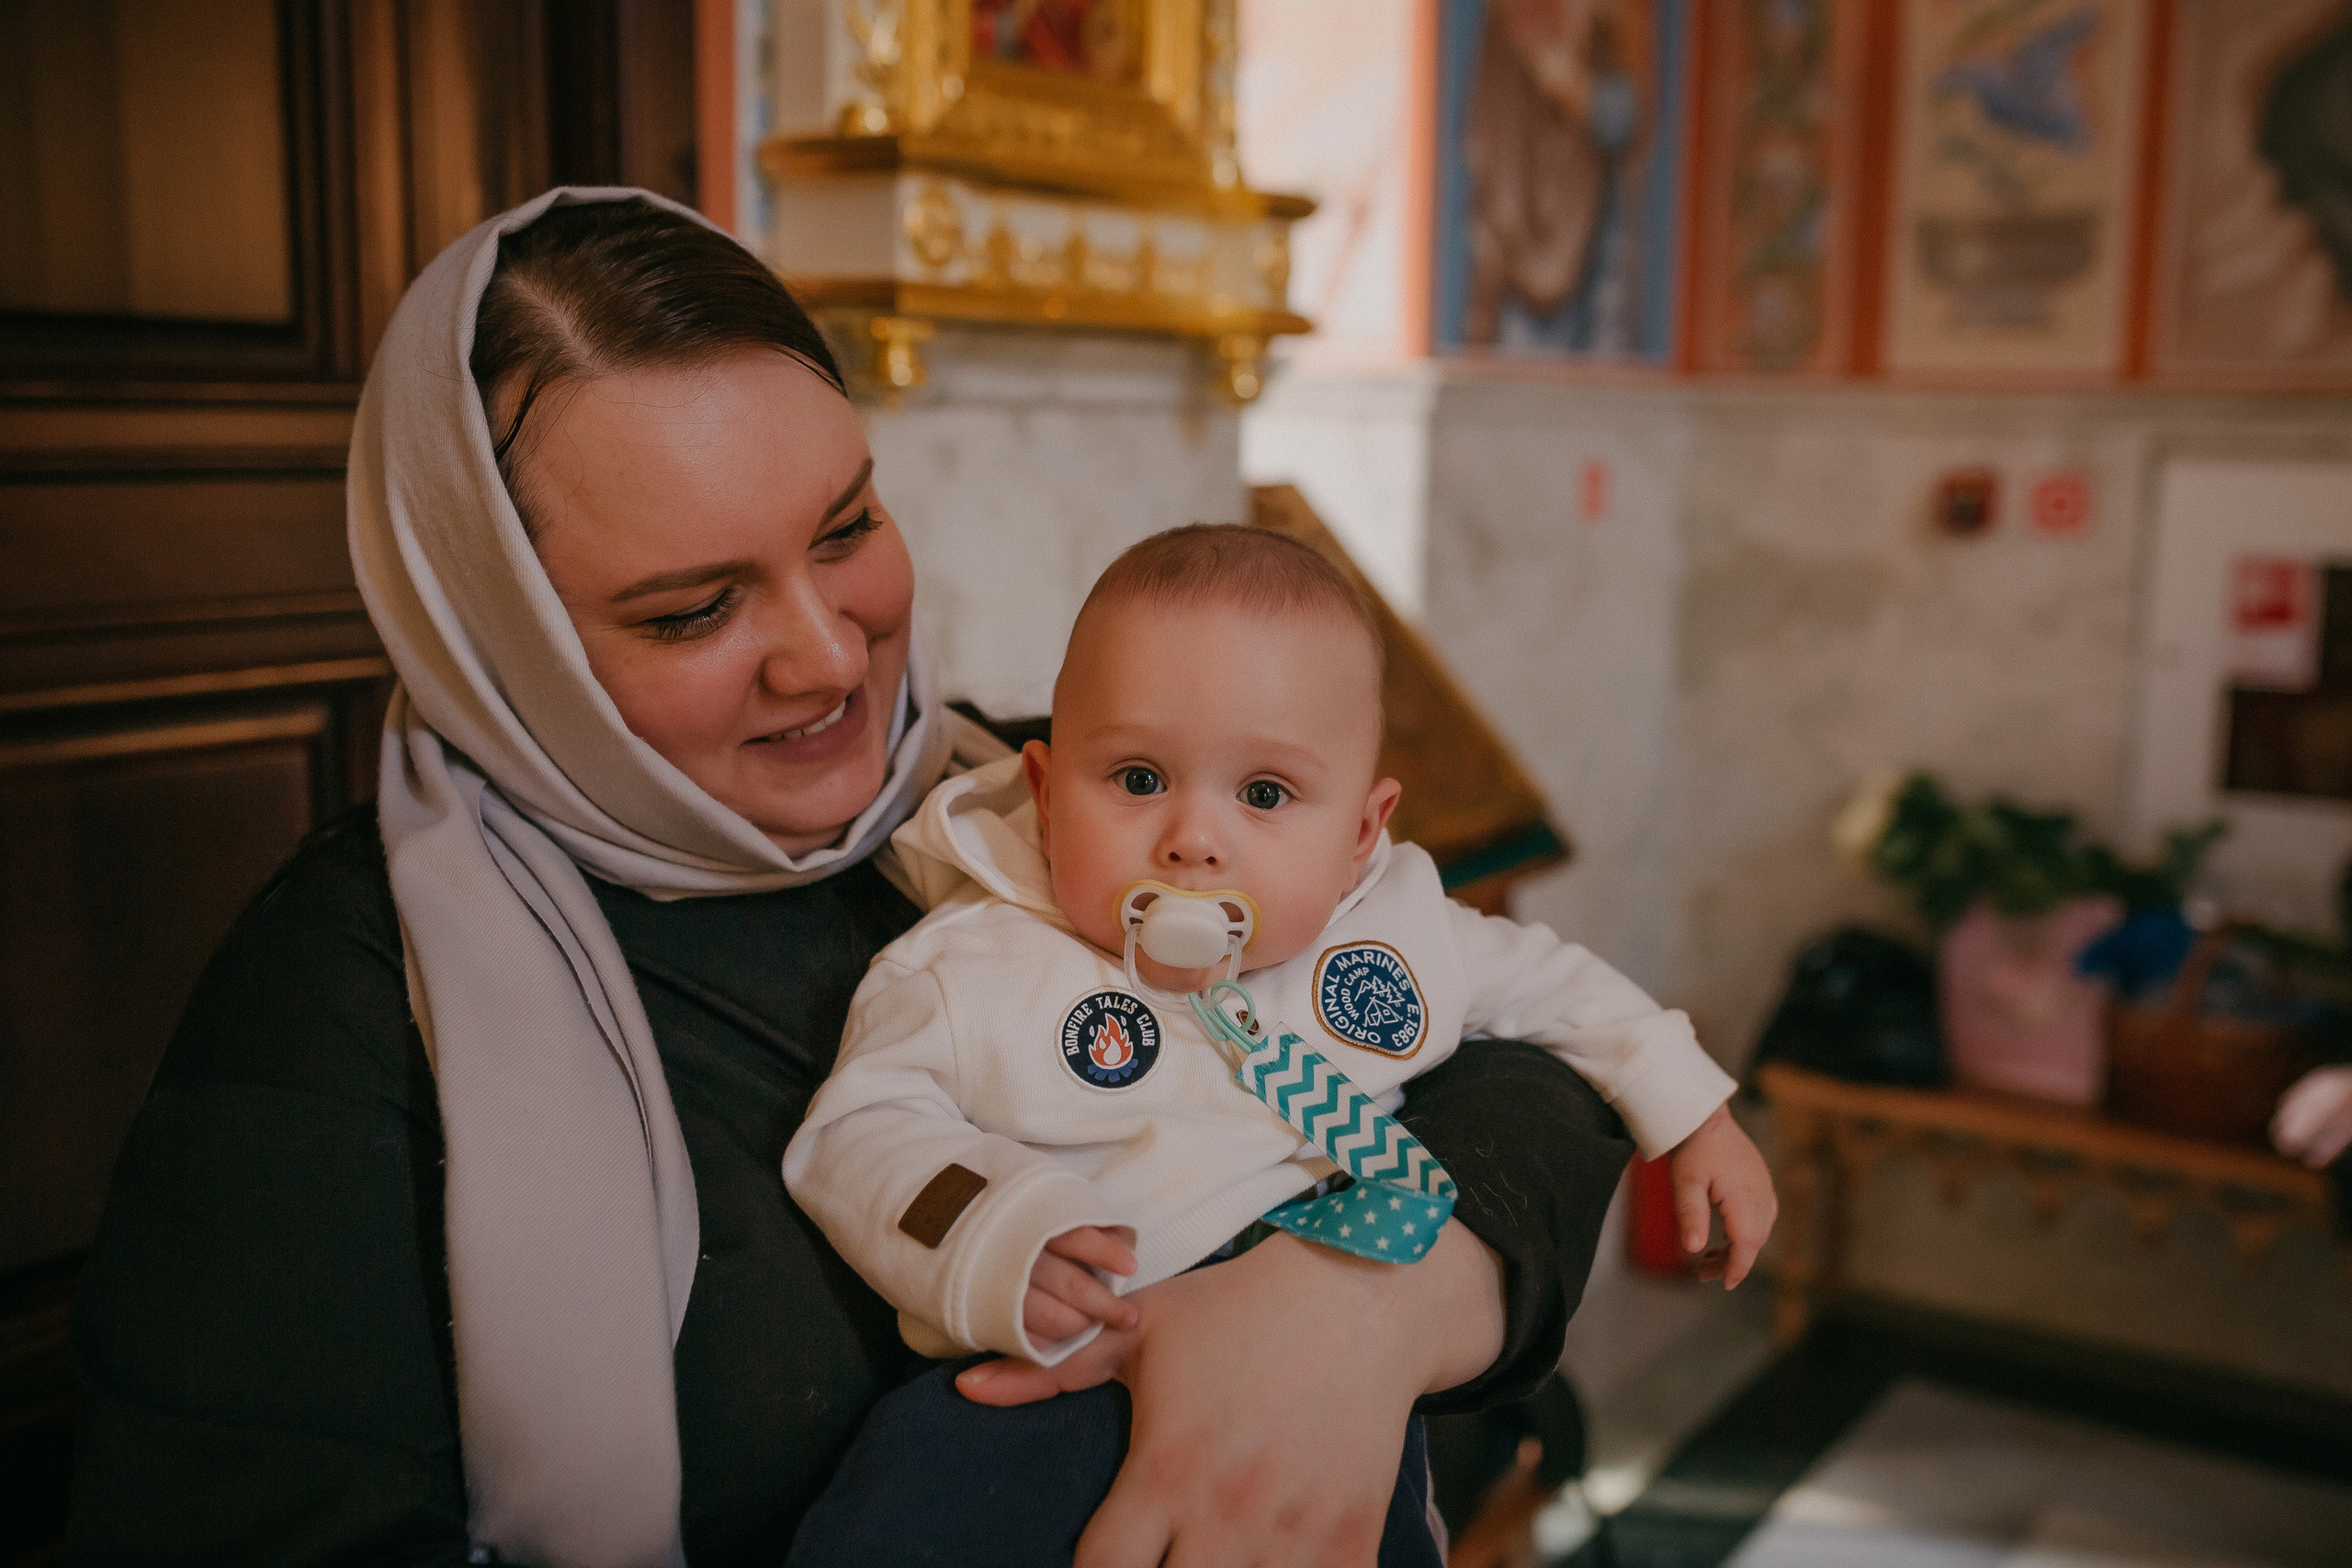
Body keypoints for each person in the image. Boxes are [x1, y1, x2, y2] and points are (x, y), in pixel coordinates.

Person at [66, 188, 1646, 1568]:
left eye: (847, 527)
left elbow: (1516, 1065)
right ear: (505, 645)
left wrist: (1356, 1309)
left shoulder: (1030, 796)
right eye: (692, 610)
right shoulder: (341, 1008)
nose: (829, 658)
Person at [783, 525, 1775, 1564]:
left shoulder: (1391, 931)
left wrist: (1692, 1112)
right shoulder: (966, 967)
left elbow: (1558, 989)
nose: (1193, 840)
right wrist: (993, 1233)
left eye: (1263, 794)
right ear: (1041, 792)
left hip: (1326, 1395)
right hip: (1054, 1369)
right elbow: (860, 1133)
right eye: (1134, 779)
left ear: (1358, 831)